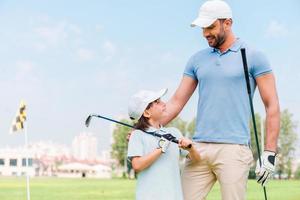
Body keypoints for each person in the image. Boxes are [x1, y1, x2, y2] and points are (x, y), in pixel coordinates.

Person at [159, 0, 280, 200]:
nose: (205, 33)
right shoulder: (197, 60)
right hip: (199, 149)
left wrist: (269, 152)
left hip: (234, 150)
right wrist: (144, 127)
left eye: (211, 27)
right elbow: (175, 103)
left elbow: (272, 105)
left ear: (228, 23)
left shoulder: (254, 56)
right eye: (203, 28)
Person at [127, 88, 200, 200]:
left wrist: (191, 148)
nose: (163, 103)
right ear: (147, 112)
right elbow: (137, 165)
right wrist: (160, 148)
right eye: (157, 102)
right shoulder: (137, 135)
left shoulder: (174, 133)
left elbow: (197, 160)